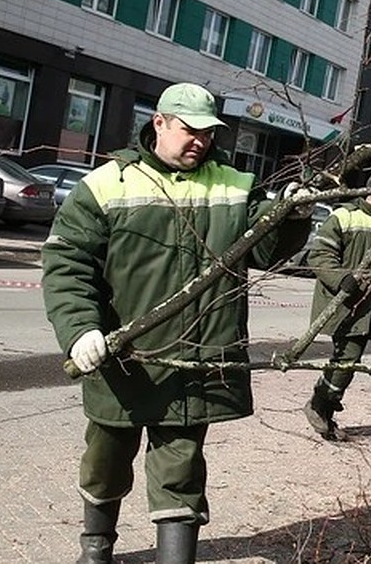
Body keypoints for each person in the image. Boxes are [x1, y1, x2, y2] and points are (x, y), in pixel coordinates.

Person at [42, 83, 311, 564]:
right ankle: (95, 547)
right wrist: (81, 330)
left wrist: (292, 214)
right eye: (190, 130)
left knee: (182, 471)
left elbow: (267, 250)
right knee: (105, 462)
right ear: (160, 122)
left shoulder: (234, 185)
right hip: (123, 361)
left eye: (208, 133)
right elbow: (68, 264)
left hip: (195, 364)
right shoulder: (107, 185)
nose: (200, 142)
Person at [302, 169, 371, 441]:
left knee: (348, 360)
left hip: (369, 309)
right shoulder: (344, 216)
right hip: (342, 304)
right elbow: (319, 255)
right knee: (347, 358)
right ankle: (319, 405)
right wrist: (342, 279)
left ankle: (324, 410)